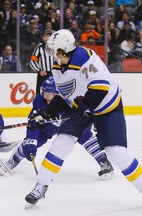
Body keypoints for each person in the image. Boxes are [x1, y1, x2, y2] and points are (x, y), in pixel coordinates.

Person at [24, 29, 142, 207]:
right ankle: (41, 185)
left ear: (63, 50)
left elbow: (100, 89)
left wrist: (81, 106)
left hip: (107, 108)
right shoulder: (58, 67)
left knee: (116, 152)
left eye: (54, 50)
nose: (51, 54)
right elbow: (64, 95)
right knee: (61, 142)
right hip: (84, 107)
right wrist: (46, 113)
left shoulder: (84, 59)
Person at [6, 76, 114, 179]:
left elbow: (88, 113)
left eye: (49, 93)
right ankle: (14, 160)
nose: (45, 96)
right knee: (32, 143)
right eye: (44, 92)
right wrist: (31, 138)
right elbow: (33, 122)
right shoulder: (39, 100)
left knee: (85, 134)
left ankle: (104, 161)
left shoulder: (69, 101)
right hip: (49, 127)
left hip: (67, 126)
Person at [29, 29, 53, 94]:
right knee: (40, 93)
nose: (46, 38)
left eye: (48, 36)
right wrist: (39, 70)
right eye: (44, 36)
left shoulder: (55, 47)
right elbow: (32, 61)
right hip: (43, 75)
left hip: (54, 74)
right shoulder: (39, 48)